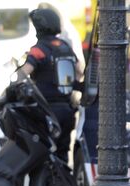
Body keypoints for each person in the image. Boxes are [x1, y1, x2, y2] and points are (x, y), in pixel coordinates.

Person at [18, 8, 84, 161]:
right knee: (63, 152)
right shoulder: (64, 46)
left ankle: (45, 182)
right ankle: (63, 181)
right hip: (67, 110)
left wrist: (14, 82)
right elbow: (79, 71)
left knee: (45, 152)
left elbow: (24, 73)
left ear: (39, 27)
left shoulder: (39, 50)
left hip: (46, 111)